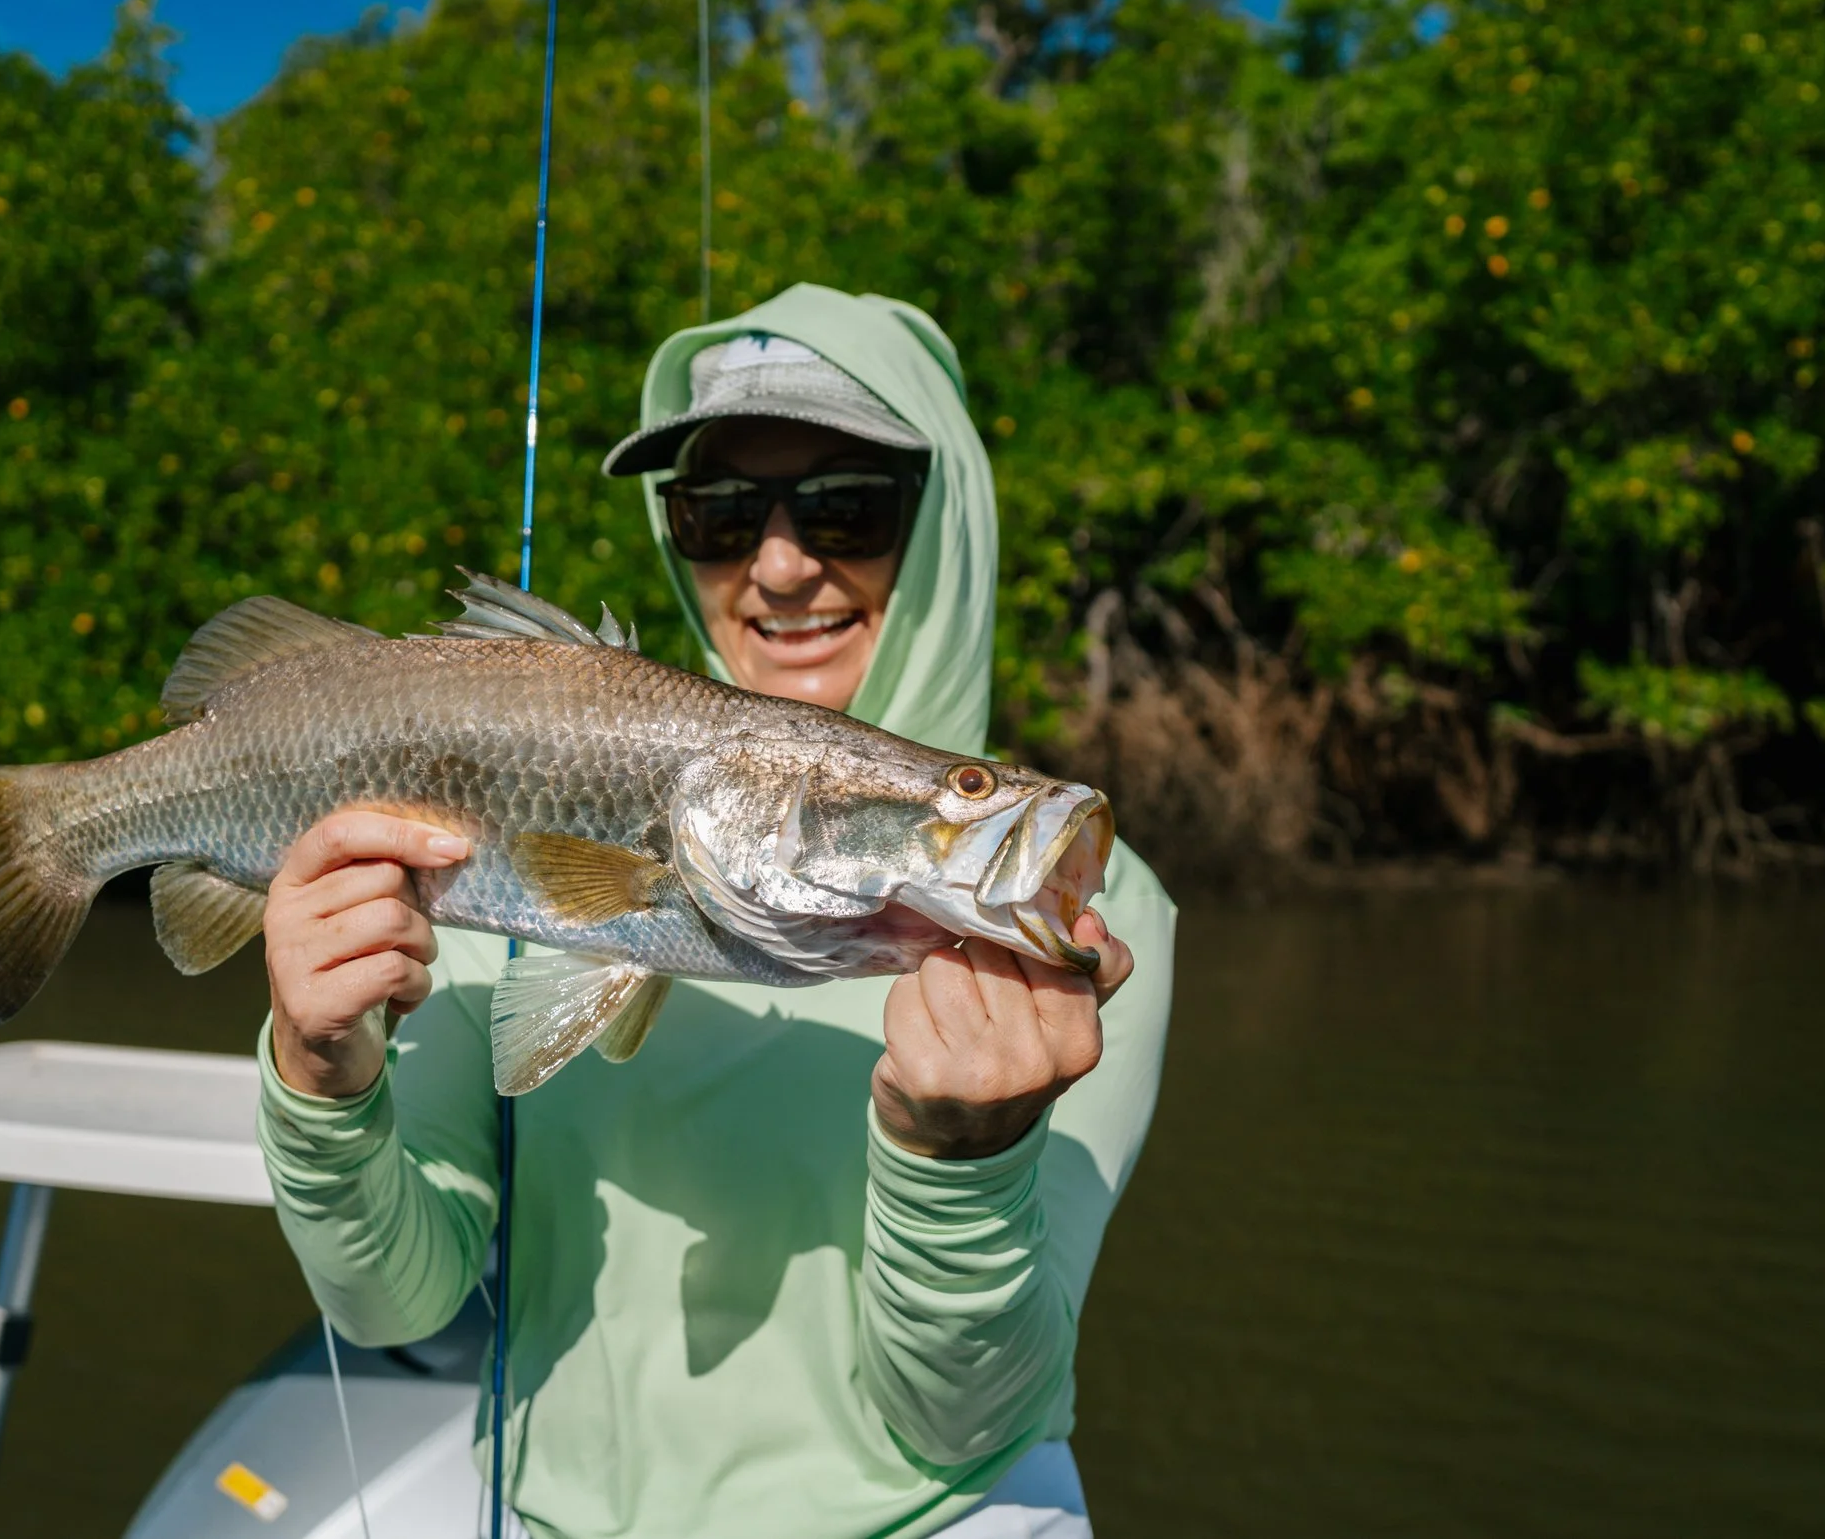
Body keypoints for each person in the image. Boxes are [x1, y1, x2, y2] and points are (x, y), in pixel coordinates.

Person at [255, 283, 1176, 1537]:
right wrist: (321, 1071)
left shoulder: (1090, 914)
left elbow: (964, 1418)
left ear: (946, 517)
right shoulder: (480, 852)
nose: (783, 564)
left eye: (847, 506)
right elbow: (392, 1305)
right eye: (720, 513)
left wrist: (958, 1165)